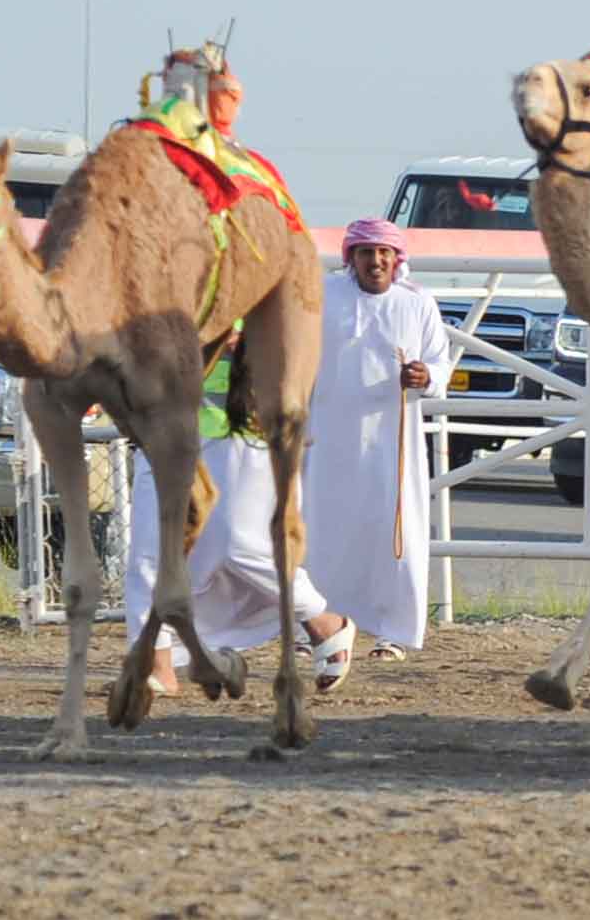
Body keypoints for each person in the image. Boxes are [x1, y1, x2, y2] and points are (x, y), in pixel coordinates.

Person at [123, 352, 355, 692]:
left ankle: (321, 620)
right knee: (149, 552)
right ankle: (157, 667)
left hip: (242, 426)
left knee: (239, 546)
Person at [303, 217, 452, 654]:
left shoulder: (418, 302)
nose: (376, 261)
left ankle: (395, 633)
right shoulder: (324, 295)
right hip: (329, 435)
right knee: (323, 530)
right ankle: (318, 627)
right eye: (366, 252)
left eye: (384, 252)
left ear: (397, 258)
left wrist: (427, 375)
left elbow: (442, 365)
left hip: (393, 443)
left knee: (395, 533)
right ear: (352, 258)